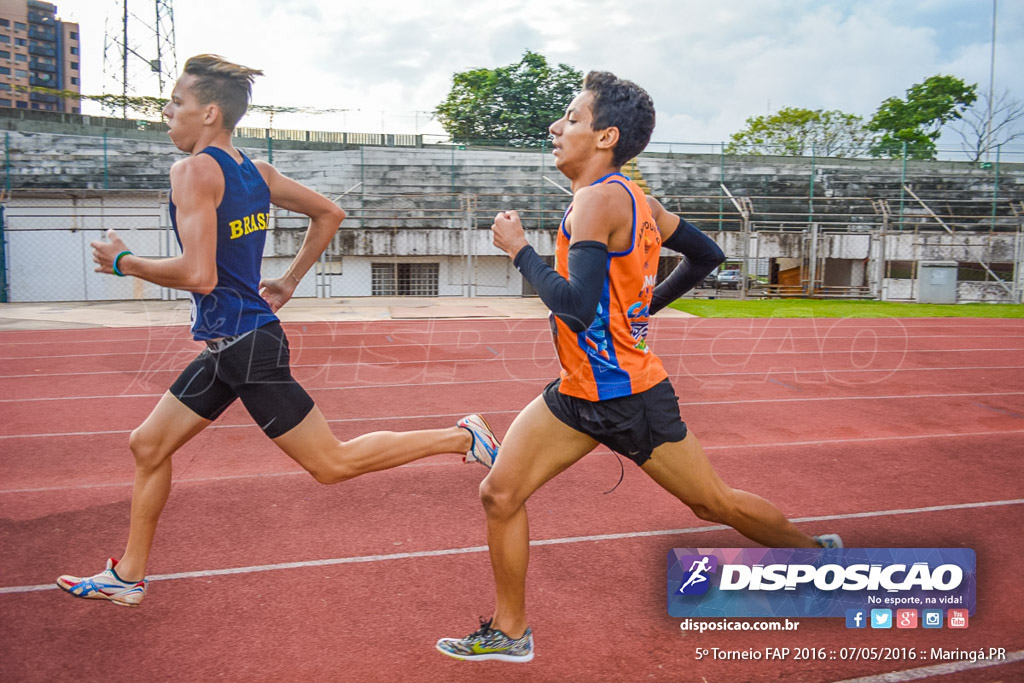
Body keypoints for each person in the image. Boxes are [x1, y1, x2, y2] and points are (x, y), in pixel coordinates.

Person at [56, 54, 499, 607]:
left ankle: (462, 437)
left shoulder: (193, 171)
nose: (167, 112)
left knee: (331, 464)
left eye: (177, 103)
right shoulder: (255, 172)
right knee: (148, 445)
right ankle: (129, 575)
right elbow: (330, 213)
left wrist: (124, 262)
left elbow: (198, 274)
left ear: (209, 113)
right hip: (231, 345)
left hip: (245, 347)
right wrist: (288, 281)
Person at [435, 71, 841, 663]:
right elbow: (706, 256)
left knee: (714, 504)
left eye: (571, 118)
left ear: (606, 137)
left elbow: (574, 308)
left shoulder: (599, 200)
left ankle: (816, 555)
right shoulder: (636, 200)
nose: (556, 127)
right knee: (500, 493)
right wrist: (639, 307)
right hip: (579, 392)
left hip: (629, 399)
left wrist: (518, 249)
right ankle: (510, 631)